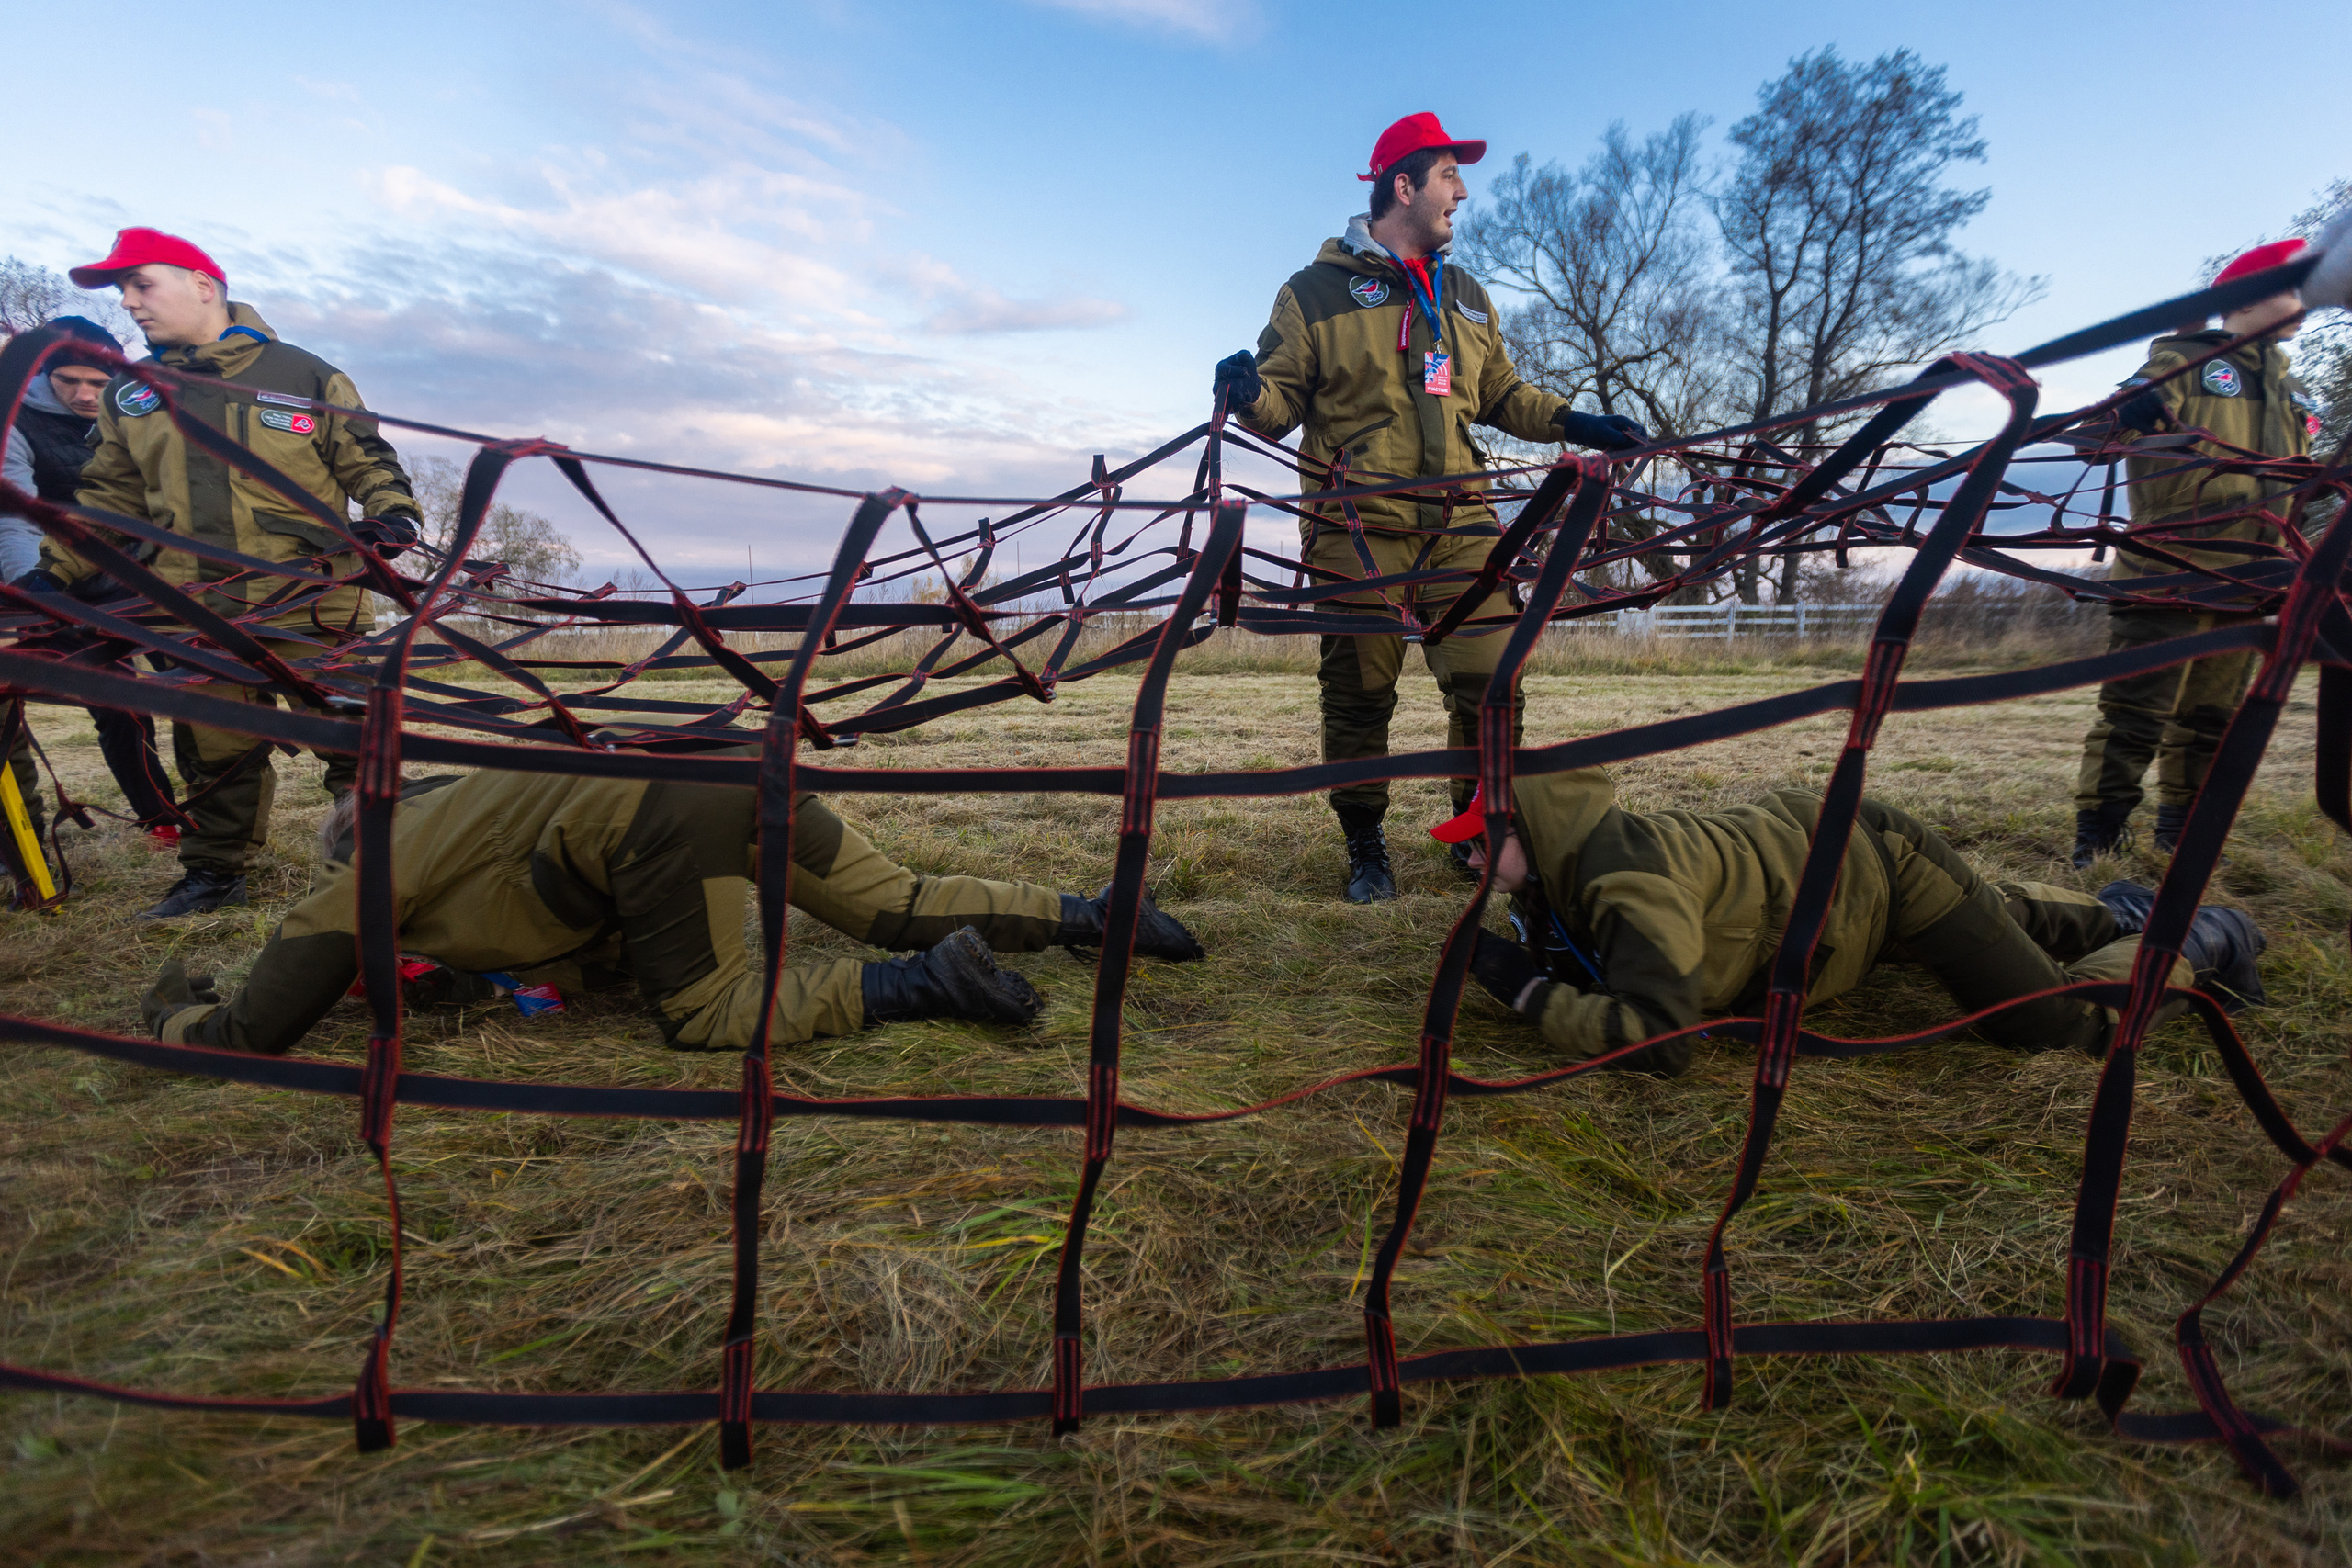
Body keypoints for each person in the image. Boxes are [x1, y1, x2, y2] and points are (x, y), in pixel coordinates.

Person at [1213, 113, 1648, 905]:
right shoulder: (1312, 292)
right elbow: (1278, 403)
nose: (1463, 191)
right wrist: (1246, 392)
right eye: (1450, 174)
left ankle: (1479, 834)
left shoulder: (1468, 297)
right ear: (1404, 186)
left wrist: (1578, 423)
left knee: (1494, 679)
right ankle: (1364, 842)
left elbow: (1502, 392)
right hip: (1356, 525)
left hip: (1460, 522)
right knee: (1359, 690)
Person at [138, 771, 1206, 1056]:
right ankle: (1100, 916)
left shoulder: (375, 863)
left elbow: (257, 1026)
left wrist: (175, 1013)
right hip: (726, 768)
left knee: (705, 1013)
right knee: (894, 901)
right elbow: (581, 942)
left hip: (663, 814)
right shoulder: (474, 801)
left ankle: (926, 986)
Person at [29, 228, 424, 919]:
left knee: (357, 746)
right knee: (213, 753)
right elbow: (107, 501)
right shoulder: (130, 393)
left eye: (140, 284)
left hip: (314, 605)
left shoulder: (305, 375)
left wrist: (393, 515)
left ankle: (381, 873)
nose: (128, 303)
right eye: (121, 290)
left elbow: (368, 460)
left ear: (202, 284)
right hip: (197, 612)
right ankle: (213, 874)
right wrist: (53, 574)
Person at [1432, 772, 2266, 1076]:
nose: (1467, 862)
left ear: (1535, 829)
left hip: (1879, 874)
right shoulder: (1563, 867)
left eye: (1478, 844)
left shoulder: (1627, 884)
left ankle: (2203, 937)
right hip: (1831, 891)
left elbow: (1663, 1040)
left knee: (2056, 1026)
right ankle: (2121, 911)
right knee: (1998, 917)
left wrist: (1524, 990)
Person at [2072, 239, 2322, 867]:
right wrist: (2124, 410)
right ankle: (2098, 840)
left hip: (2250, 581)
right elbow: (2094, 436)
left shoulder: (2292, 389)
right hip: (2168, 573)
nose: (2305, 306)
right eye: (2293, 291)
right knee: (2134, 713)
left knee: (2212, 720)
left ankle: (2179, 837)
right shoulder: (2182, 361)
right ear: (2248, 296)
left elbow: (2299, 478)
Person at [4, 315, 183, 845]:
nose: (84, 395)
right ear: (45, 375)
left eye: (98, 383)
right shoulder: (14, 423)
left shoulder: (142, 409)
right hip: (59, 582)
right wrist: (36, 589)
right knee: (119, 705)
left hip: (148, 575)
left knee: (199, 686)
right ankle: (158, 816)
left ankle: (210, 814)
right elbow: (14, 516)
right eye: (69, 381)